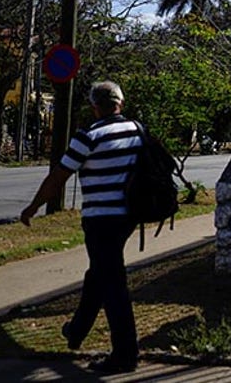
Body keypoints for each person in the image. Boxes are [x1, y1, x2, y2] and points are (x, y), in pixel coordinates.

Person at [20, 81, 143, 374]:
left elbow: (58, 177)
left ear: (95, 106)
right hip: (128, 217)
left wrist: (33, 206)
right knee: (100, 273)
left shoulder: (88, 136)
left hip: (101, 219)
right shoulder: (137, 131)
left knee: (112, 283)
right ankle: (76, 331)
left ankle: (125, 354)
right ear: (120, 104)